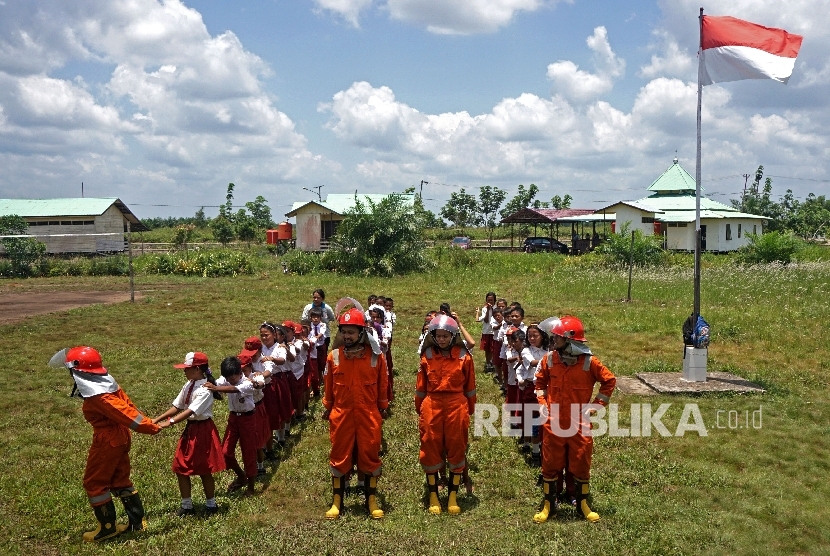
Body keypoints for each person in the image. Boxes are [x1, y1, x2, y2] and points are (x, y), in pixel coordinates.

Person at [53, 346, 162, 542]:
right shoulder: (106, 383)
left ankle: (107, 528)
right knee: (120, 481)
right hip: (120, 436)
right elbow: (128, 405)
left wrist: (150, 426)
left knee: (94, 483)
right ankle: (137, 524)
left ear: (77, 370)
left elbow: (124, 413)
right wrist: (148, 421)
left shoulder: (98, 395)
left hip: (107, 440)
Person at [533, 316, 616, 523]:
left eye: (557, 338)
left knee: (581, 461)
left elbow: (609, 381)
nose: (553, 342)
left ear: (569, 340)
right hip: (553, 421)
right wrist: (543, 403)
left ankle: (582, 504)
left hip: (579, 423)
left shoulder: (590, 362)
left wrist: (596, 406)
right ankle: (549, 505)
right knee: (550, 462)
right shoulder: (550, 359)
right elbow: (539, 382)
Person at [322, 302, 389, 520]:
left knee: (369, 454)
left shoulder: (375, 357)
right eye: (344, 332)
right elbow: (329, 386)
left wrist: (382, 408)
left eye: (351, 332)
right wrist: (328, 408)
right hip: (341, 414)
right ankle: (337, 502)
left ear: (362, 333)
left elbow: (383, 385)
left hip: (368, 414)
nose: (347, 336)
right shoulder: (334, 357)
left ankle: (371, 500)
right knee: (339, 456)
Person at [416, 315, 476, 515]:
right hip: (431, 405)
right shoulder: (427, 356)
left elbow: (470, 388)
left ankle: (452, 496)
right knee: (430, 446)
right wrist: (421, 410)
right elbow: (420, 388)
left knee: (457, 447)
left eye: (445, 336)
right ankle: (433, 496)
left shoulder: (464, 356)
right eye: (438, 336)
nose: (441, 339)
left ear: (453, 336)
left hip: (456, 405)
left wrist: (468, 410)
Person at [152, 352, 225, 516]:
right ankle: (187, 506)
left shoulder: (205, 389)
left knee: (204, 469)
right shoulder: (189, 384)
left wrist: (170, 423)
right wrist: (157, 419)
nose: (184, 371)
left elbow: (190, 411)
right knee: (180, 467)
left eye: (187, 368)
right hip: (191, 429)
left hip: (203, 430)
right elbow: (178, 406)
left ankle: (211, 505)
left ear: (197, 369)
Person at [204, 356, 261, 497]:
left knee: (248, 452)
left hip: (248, 419)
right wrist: (208, 377)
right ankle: (241, 476)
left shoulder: (247, 383)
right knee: (225, 452)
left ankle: (251, 487)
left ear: (240, 373)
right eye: (227, 378)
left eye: (233, 378)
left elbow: (234, 389)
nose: (230, 381)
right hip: (234, 418)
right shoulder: (226, 379)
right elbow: (217, 383)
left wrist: (216, 387)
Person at [520, 325, 549, 465]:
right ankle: (534, 450)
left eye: (535, 335)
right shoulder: (526, 351)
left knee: (543, 420)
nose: (532, 338)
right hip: (531, 387)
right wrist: (552, 359)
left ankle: (542, 448)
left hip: (546, 389)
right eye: (529, 336)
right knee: (532, 419)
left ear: (543, 336)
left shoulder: (548, 351)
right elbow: (532, 363)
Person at [475, 292, 497, 372]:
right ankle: (488, 363)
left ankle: (493, 363)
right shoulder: (485, 309)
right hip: (487, 332)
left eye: (491, 300)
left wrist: (492, 309)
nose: (490, 302)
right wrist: (488, 310)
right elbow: (486, 320)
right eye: (488, 300)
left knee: (493, 349)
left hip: (494, 332)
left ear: (495, 301)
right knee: (487, 349)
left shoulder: (497, 309)